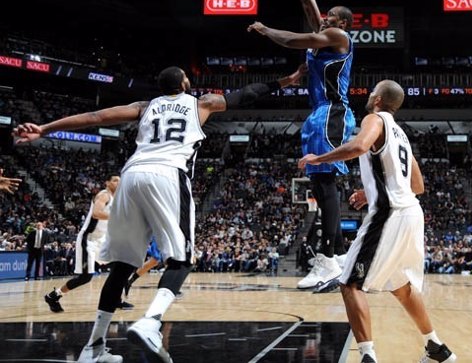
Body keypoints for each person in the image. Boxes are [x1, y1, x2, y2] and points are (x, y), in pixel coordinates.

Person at [14, 64, 306, 363]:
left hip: (130, 175)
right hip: (168, 173)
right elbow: (247, 94)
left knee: (122, 266)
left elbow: (96, 117)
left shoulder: (144, 106)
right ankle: (151, 321)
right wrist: (286, 80)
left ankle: (93, 348)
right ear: (185, 82)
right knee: (183, 259)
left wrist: (45, 128)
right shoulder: (201, 102)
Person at [298, 80, 457, 363]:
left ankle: (368, 356)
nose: (369, 95)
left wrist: (319, 158)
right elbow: (417, 185)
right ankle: (436, 348)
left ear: (379, 100)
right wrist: (369, 190)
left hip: (390, 213)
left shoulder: (374, 119)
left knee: (348, 284)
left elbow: (359, 146)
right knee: (401, 286)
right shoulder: (402, 134)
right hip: (411, 212)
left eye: (372, 92)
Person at [247, 0, 355, 290]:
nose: (325, 19)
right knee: (320, 183)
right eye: (325, 17)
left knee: (326, 183)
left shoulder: (340, 39)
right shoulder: (326, 31)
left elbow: (295, 40)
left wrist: (265, 30)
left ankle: (329, 259)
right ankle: (336, 258)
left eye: (332, 18)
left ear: (343, 24)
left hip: (332, 112)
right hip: (317, 114)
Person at [45, 174, 133, 313]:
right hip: (89, 240)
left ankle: (116, 300)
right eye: (115, 180)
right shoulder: (104, 195)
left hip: (102, 240)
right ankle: (54, 296)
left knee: (120, 267)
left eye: (120, 181)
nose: (118, 183)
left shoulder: (118, 199)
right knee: (85, 278)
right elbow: (96, 214)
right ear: (107, 183)